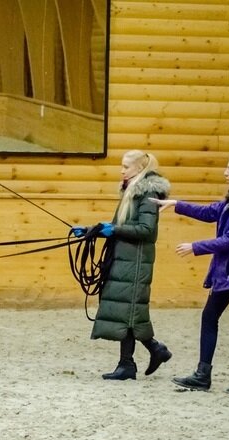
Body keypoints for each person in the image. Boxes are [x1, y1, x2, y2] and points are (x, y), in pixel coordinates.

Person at [151, 152, 229, 394]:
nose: (225, 173)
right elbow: (209, 212)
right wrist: (176, 205)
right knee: (217, 318)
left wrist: (195, 247)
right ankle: (209, 375)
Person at [72, 150, 172, 380]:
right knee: (126, 310)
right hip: (124, 259)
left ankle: (129, 363)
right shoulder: (132, 193)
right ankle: (151, 351)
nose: (122, 170)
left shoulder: (147, 195)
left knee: (128, 311)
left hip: (135, 261)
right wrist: (91, 231)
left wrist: (113, 230)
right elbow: (122, 224)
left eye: (126, 167)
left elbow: (147, 230)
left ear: (139, 168)